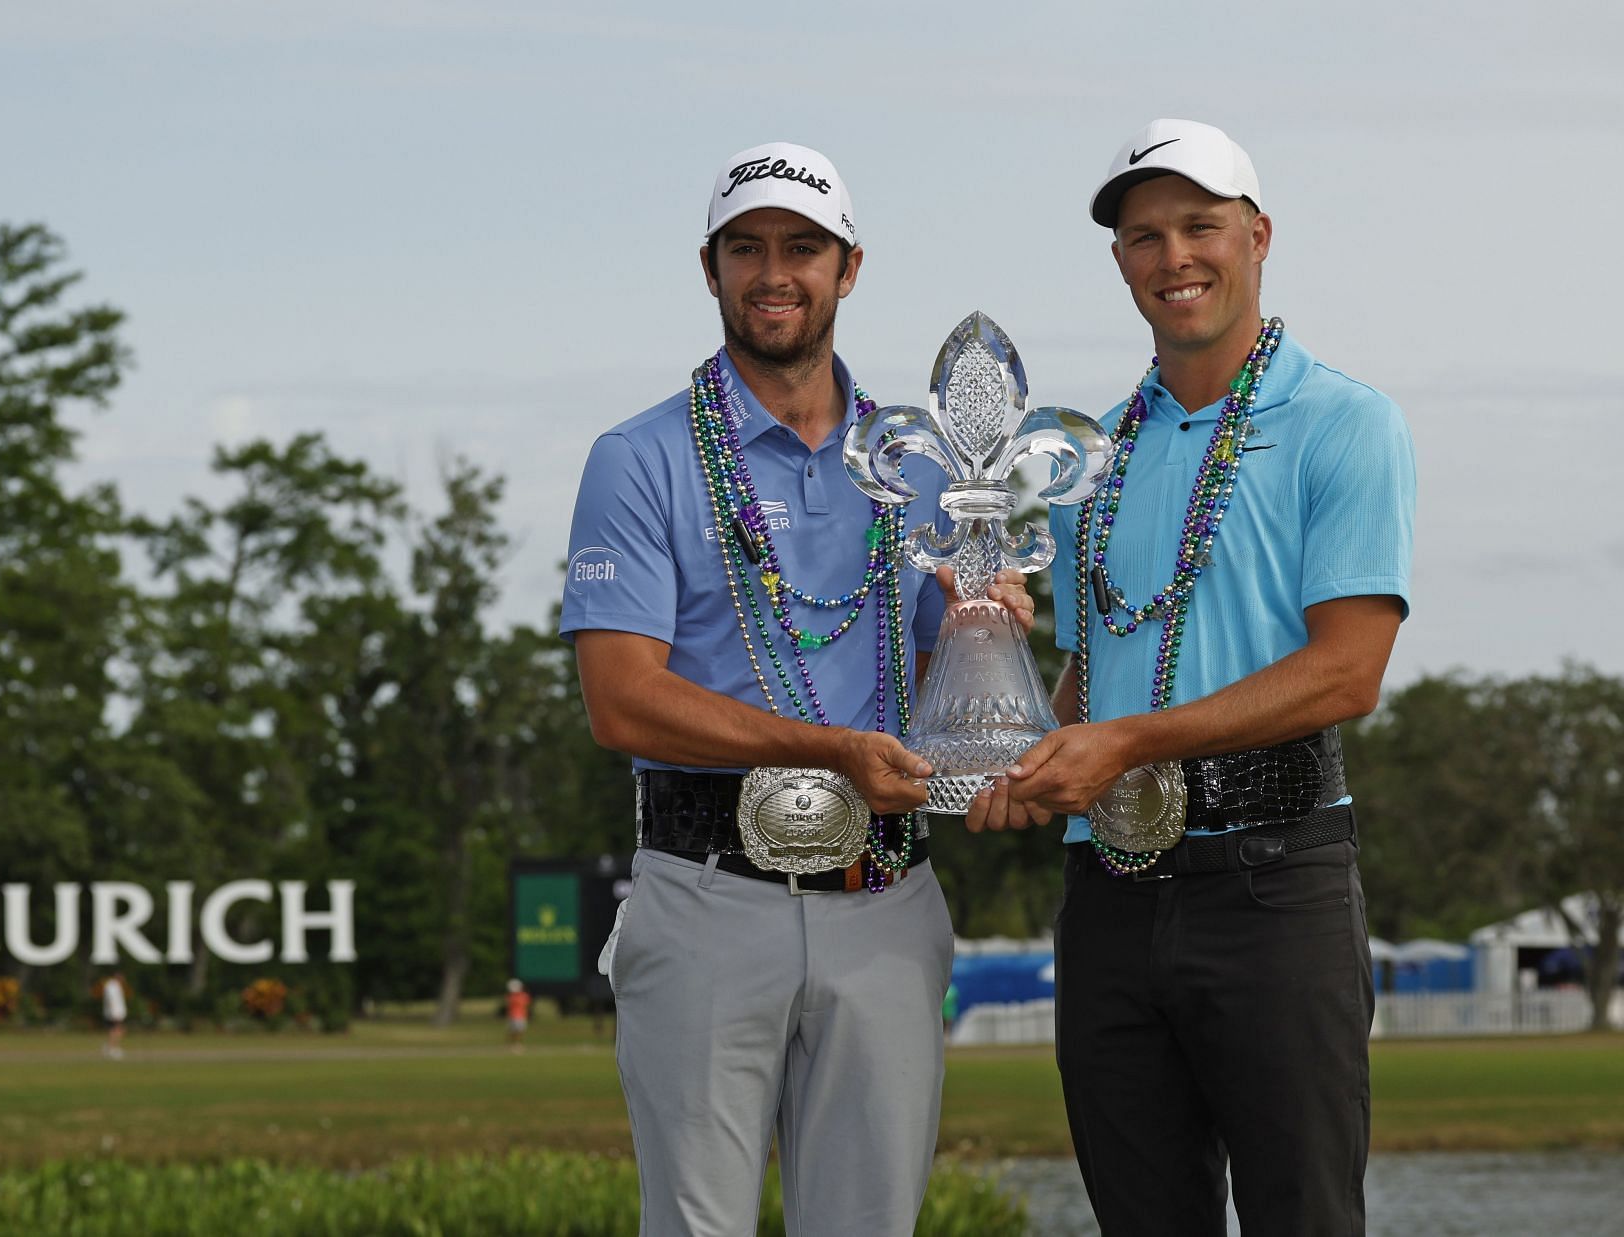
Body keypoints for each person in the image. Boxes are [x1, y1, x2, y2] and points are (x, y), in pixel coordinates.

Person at [561, 141, 1034, 1236]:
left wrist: (989, 637)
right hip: (705, 889)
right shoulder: (640, 457)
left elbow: (939, 686)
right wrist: (831, 751)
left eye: (802, 248)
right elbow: (621, 699)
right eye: (748, 249)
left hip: (886, 896)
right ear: (710, 267)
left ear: (849, 268)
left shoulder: (922, 462)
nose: (775, 273)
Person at [984, 119, 1415, 1234]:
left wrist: (1126, 744)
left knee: (1302, 1216)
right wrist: (1004, 731)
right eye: (1143, 236)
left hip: (1275, 884)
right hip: (1111, 895)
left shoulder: (1343, 420)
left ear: (1258, 236)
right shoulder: (1091, 455)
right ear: (1120, 261)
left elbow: (1346, 672)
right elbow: (1093, 674)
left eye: (1200, 226)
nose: (1174, 257)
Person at [100, 970, 127, 1060]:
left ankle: (110, 1047)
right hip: (114, 1013)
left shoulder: (116, 986)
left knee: (117, 1030)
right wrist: (114, 1012)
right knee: (116, 1030)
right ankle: (112, 1048)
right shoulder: (111, 986)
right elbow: (111, 1000)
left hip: (117, 1012)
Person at [504, 977, 531, 1053]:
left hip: (521, 1016)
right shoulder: (510, 997)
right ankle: (511, 1044)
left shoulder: (524, 996)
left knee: (520, 1031)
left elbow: (526, 1004)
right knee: (512, 1031)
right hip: (512, 1016)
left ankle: (518, 1044)